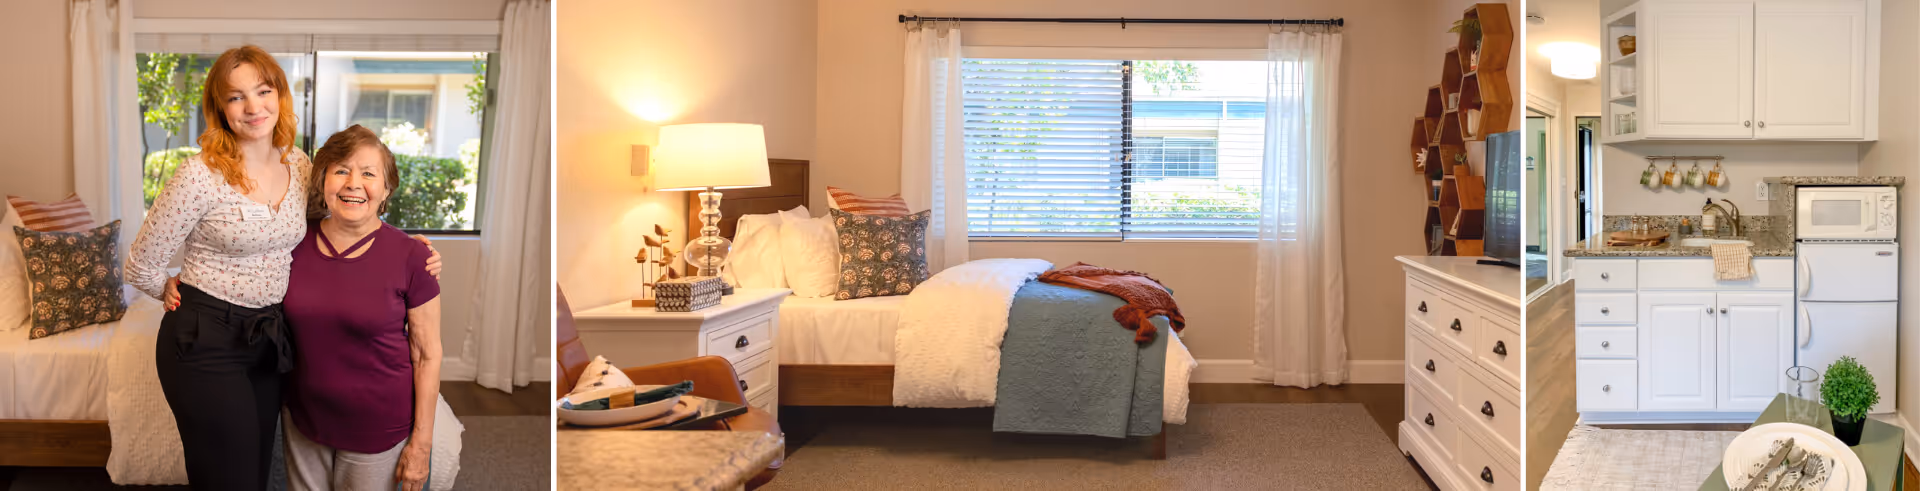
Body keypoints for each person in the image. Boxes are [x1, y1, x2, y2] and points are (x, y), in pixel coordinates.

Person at [125, 45, 438, 490]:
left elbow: (340, 212)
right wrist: (167, 286)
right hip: (207, 338)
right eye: (235, 97)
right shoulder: (198, 176)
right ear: (219, 108)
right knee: (226, 477)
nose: (253, 107)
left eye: (263, 90)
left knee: (255, 472)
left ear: (280, 96)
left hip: (269, 339)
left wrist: (404, 246)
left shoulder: (298, 163)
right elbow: (139, 265)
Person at [280, 125, 440, 491]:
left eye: (369, 173)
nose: (354, 183)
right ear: (323, 181)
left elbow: (427, 355)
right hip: (303, 418)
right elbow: (238, 269)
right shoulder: (291, 241)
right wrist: (183, 282)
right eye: (341, 170)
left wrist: (422, 443)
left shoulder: (414, 257)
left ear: (386, 190)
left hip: (377, 426)